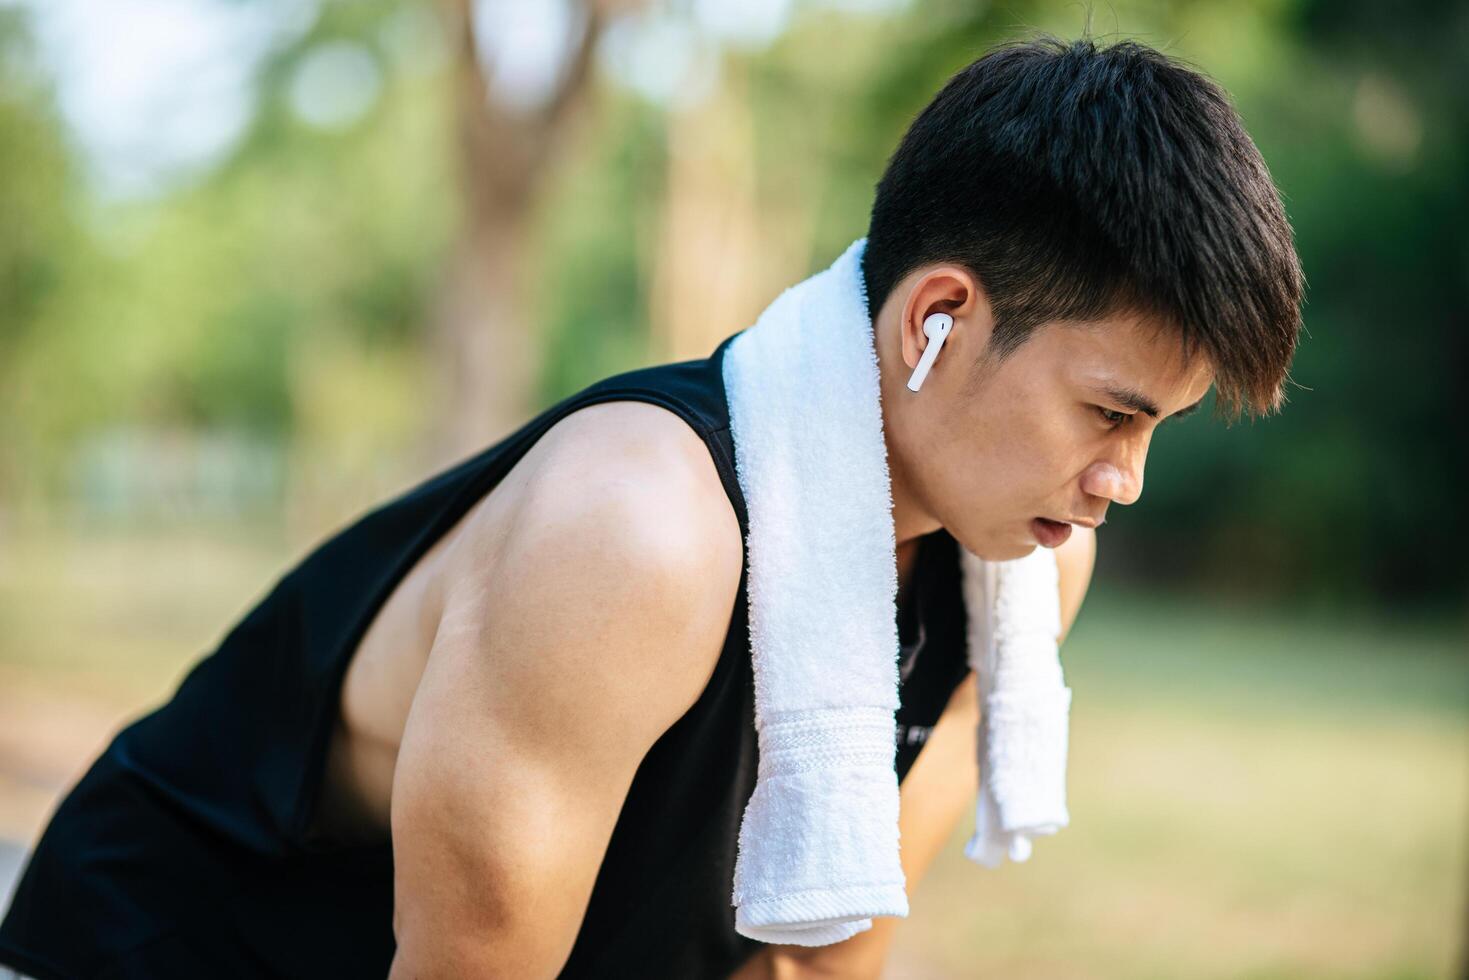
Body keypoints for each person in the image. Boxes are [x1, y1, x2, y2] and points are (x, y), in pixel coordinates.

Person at [0, 31, 1303, 980]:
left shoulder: (1022, 570)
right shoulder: (637, 529)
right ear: (939, 318)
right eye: (1109, 414)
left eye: (1154, 433)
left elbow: (814, 951)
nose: (1121, 483)